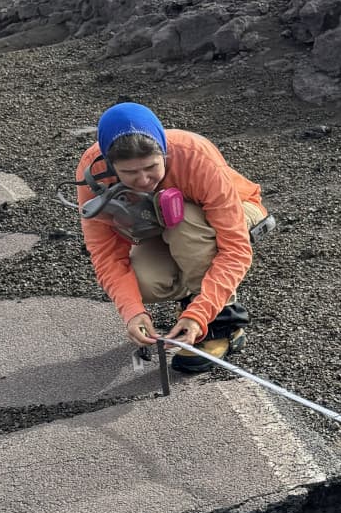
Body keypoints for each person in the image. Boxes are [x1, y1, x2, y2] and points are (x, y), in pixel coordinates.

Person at [75, 102, 268, 374]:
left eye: (151, 167)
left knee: (184, 220)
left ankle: (221, 324)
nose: (143, 180)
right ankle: (197, 294)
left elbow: (234, 248)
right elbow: (105, 253)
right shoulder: (92, 172)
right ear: (109, 166)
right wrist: (133, 311)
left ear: (164, 153)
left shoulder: (194, 156)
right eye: (129, 173)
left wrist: (200, 315)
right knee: (143, 283)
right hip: (162, 228)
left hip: (238, 211)